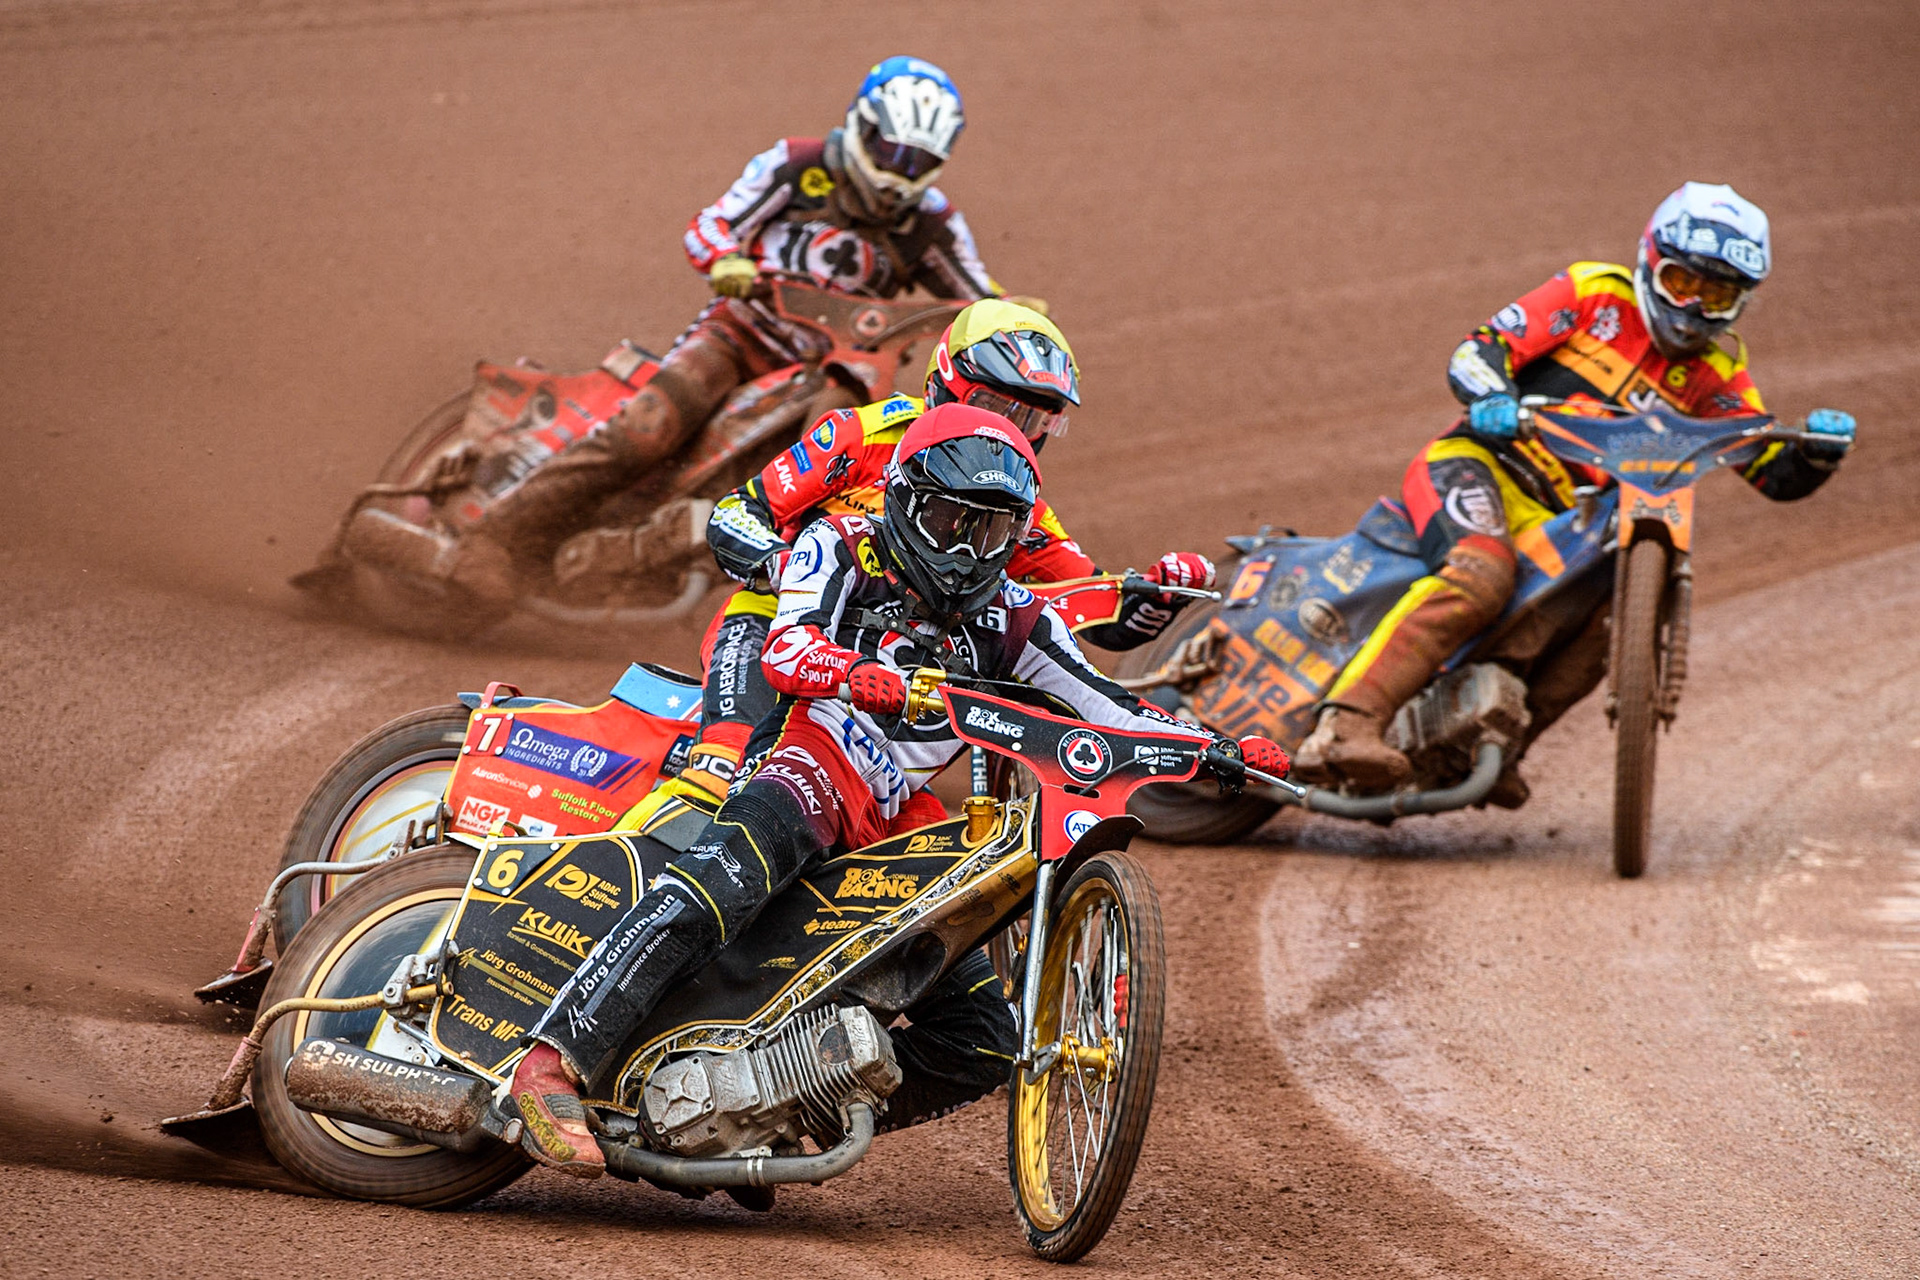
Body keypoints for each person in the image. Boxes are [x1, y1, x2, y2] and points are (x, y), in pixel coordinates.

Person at [506, 403, 1288, 1176]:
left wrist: (1213, 748)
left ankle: (773, 1110)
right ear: (908, 500)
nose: (969, 548)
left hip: (899, 812)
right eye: (954, 520)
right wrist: (855, 676)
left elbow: (1106, 705)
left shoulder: (1017, 616)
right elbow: (787, 647)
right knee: (727, 874)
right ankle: (550, 1064)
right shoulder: (838, 543)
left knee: (984, 1034)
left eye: (992, 531)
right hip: (807, 750)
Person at [1293, 182, 1857, 797]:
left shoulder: (1717, 375)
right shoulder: (1593, 295)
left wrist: (1817, 455)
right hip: (1481, 463)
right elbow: (1480, 349)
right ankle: (1345, 724)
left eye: (1715, 293)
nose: (1693, 308)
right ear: (1649, 262)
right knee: (1480, 576)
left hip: (1566, 522)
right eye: (1681, 283)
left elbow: (1770, 471)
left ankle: (1495, 750)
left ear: (1739, 302)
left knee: (1604, 627)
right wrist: (1491, 397)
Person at [446, 56, 1006, 603]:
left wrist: (1010, 316)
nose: (898, 172)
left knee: (835, 454)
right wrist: (725, 260)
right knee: (650, 427)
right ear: (862, 127)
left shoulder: (934, 223)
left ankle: (785, 578)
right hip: (740, 334)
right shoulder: (795, 165)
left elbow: (976, 296)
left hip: (834, 365)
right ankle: (492, 538)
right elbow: (712, 224)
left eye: (916, 160)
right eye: (891, 152)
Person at [673, 299, 1217, 800]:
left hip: (901, 668)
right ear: (942, 382)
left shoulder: (1017, 507)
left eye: (1029, 418)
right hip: (785, 628)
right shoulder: (861, 434)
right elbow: (736, 513)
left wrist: (1157, 595)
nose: (1005, 428)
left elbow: (1093, 609)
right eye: (992, 404)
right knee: (723, 770)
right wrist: (787, 566)